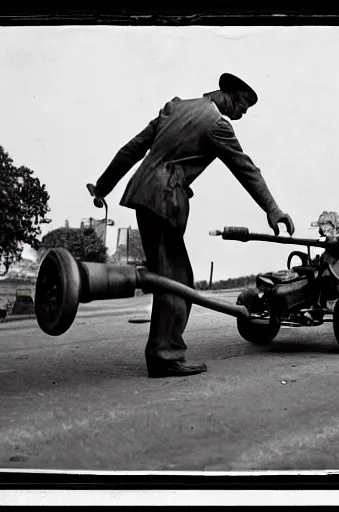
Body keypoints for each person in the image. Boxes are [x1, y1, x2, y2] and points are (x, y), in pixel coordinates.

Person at [89, 73, 295, 378]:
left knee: (165, 276)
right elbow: (245, 168)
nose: (241, 115)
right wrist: (273, 209)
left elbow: (132, 149)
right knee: (177, 278)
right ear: (230, 95)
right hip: (165, 198)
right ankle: (165, 355)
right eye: (243, 107)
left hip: (141, 195)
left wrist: (102, 187)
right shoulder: (217, 125)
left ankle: (163, 350)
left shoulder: (175, 107)